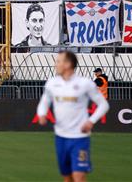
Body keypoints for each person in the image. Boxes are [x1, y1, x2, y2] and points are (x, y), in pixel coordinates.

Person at [37, 51, 110, 182]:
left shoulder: (84, 83)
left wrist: (91, 121)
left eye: (59, 61)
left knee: (79, 176)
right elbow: (44, 101)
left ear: (68, 64)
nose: (56, 64)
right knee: (67, 177)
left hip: (79, 137)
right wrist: (42, 114)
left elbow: (103, 105)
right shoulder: (52, 83)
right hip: (61, 137)